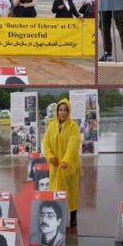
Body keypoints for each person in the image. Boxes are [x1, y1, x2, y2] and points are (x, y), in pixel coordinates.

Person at [42, 98, 80, 235]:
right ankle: (57, 218)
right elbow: (45, 142)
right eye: (60, 110)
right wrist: (50, 156)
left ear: (68, 111)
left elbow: (73, 146)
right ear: (57, 111)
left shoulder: (73, 127)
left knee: (71, 193)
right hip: (55, 167)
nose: (62, 112)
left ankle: (73, 217)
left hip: (68, 168)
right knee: (55, 192)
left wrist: (66, 160)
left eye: (65, 110)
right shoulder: (51, 126)